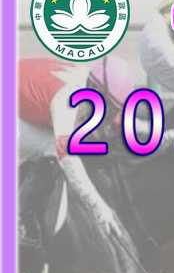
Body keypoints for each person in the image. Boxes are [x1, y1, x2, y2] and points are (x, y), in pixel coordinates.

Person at [18, 56, 136, 241]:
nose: (112, 115)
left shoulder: (90, 83)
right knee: (52, 148)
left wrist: (167, 136)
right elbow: (67, 157)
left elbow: (123, 125)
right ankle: (19, 218)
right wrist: (99, 207)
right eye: (112, 109)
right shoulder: (68, 100)